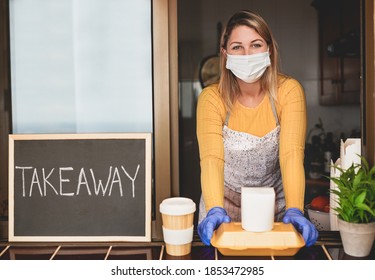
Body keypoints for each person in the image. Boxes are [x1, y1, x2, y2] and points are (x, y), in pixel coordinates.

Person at [196, 10, 318, 247]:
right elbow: (211, 159)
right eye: (237, 47)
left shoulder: (289, 91)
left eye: (256, 44)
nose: (247, 54)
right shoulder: (211, 98)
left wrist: (295, 207)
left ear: (269, 49)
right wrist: (213, 208)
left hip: (276, 206)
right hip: (222, 205)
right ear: (225, 53)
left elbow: (292, 154)